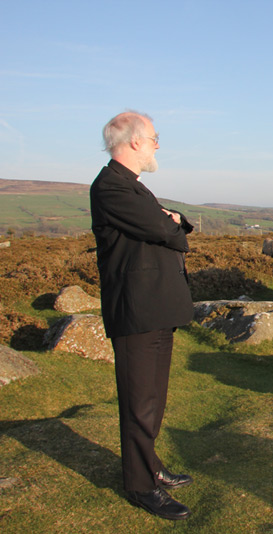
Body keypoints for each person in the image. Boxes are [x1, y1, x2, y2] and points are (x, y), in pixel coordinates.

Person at [90, 111, 195, 520]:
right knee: (138, 401)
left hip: (155, 308)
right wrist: (172, 223)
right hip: (135, 310)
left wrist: (174, 222)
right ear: (133, 141)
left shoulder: (133, 187)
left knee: (153, 396)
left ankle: (149, 463)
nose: (156, 145)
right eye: (154, 137)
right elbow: (166, 230)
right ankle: (139, 484)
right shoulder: (111, 188)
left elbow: (173, 224)